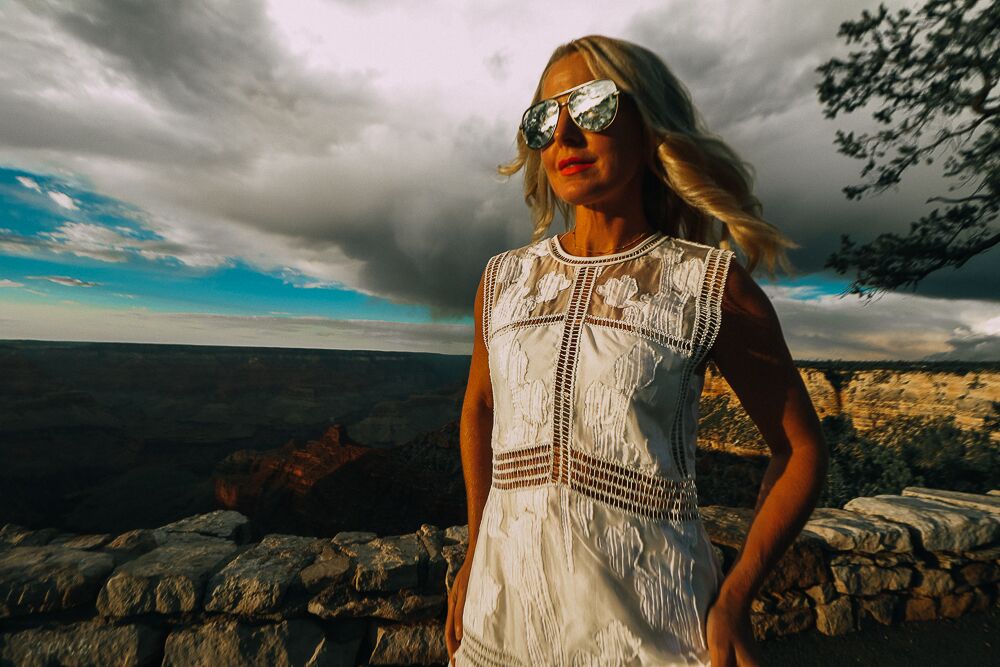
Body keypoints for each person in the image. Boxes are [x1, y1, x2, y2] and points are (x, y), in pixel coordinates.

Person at [446, 34, 829, 667]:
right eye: (544, 117)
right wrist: (471, 558)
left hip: (655, 632)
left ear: (648, 122)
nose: (565, 135)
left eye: (591, 105)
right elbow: (479, 412)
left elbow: (800, 450)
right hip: (500, 621)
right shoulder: (503, 280)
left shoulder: (708, 284)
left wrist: (735, 600)